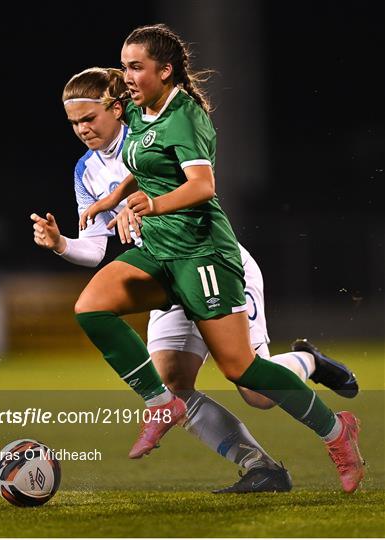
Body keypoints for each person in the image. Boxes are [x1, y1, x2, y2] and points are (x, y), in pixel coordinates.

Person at [32, 65, 359, 492]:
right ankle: (260, 467)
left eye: (89, 119)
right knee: (171, 386)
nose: (81, 130)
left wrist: (142, 200)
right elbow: (94, 250)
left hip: (211, 261)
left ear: (116, 107)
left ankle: (308, 361)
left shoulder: (152, 129)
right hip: (162, 267)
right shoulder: (85, 171)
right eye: (73, 123)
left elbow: (195, 183)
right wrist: (60, 244)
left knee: (254, 388)